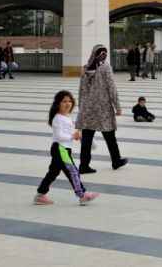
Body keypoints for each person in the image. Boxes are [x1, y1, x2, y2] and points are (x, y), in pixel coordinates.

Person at [34, 90, 99, 206]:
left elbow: (70, 134)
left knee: (53, 172)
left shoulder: (66, 117)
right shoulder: (57, 118)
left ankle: (40, 195)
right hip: (60, 148)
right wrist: (72, 136)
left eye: (70, 101)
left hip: (63, 149)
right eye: (64, 101)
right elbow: (59, 136)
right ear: (58, 103)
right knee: (73, 171)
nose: (67, 103)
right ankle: (82, 195)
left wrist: (79, 137)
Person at [77, 44, 128, 174]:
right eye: (103, 53)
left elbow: (81, 90)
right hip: (103, 108)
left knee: (87, 138)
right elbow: (112, 88)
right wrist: (118, 106)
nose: (104, 56)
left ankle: (84, 165)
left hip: (88, 109)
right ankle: (116, 160)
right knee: (110, 135)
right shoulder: (106, 68)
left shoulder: (86, 68)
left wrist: (81, 107)